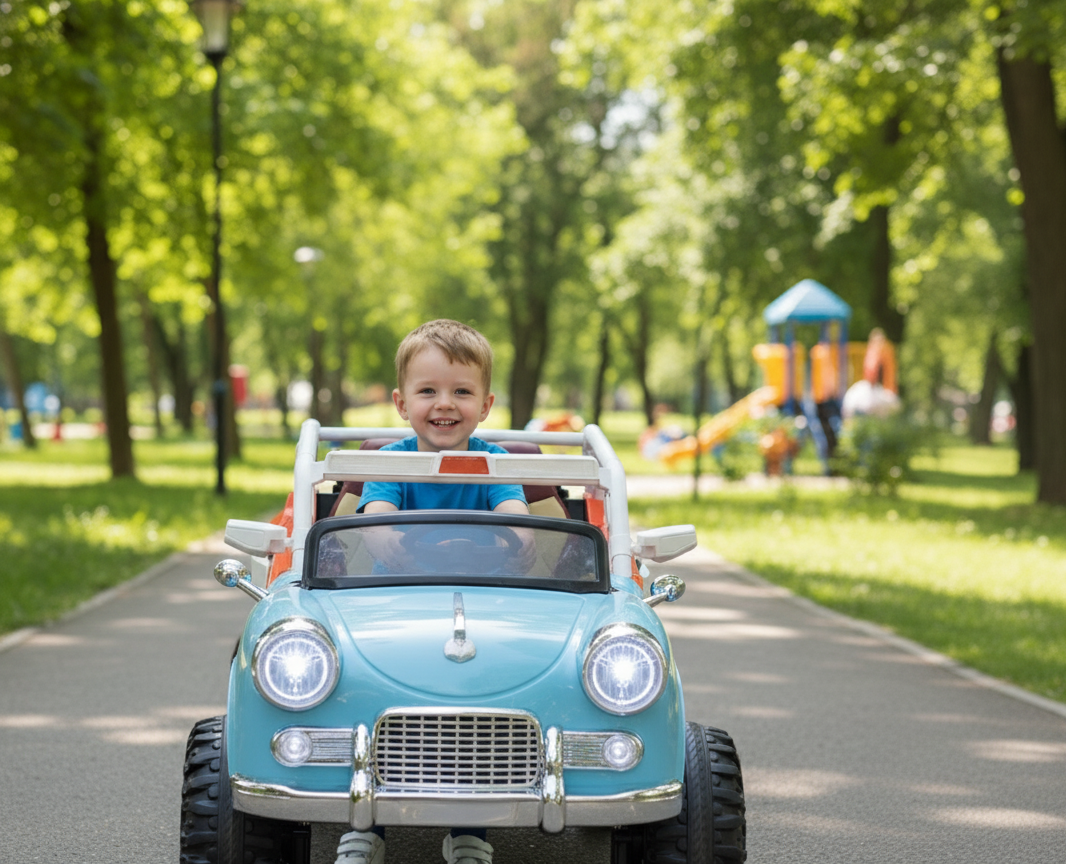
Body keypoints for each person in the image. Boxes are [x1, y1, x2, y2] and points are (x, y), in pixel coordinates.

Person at [335, 319, 528, 864]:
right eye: (428, 391)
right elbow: (375, 516)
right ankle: (364, 823)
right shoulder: (393, 461)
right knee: (367, 698)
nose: (445, 404)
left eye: (461, 391)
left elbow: (514, 511)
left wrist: (517, 532)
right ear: (401, 403)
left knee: (476, 709)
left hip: (479, 602)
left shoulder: (494, 463)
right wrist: (389, 536)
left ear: (485, 405)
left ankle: (471, 829)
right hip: (393, 602)